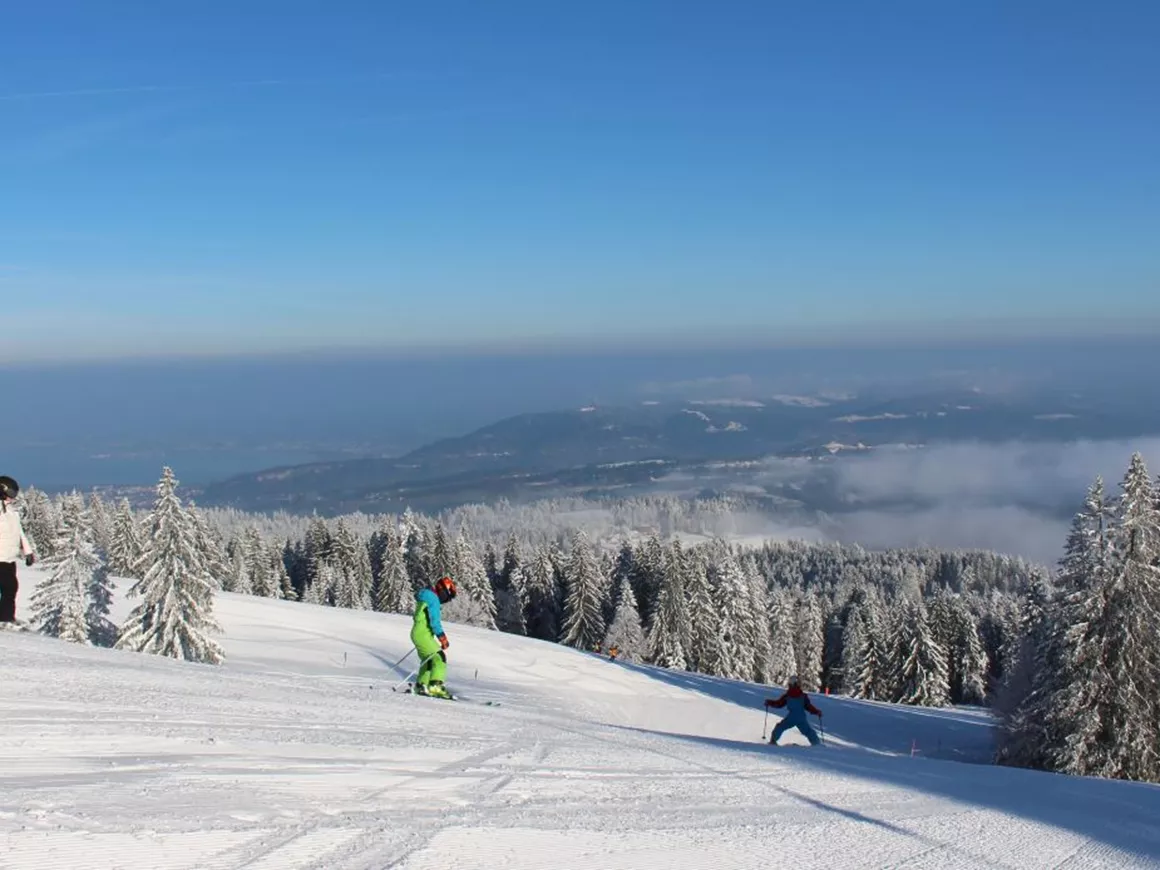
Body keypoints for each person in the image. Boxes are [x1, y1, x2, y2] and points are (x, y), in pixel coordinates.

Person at [410, 575, 457, 698]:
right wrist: (442, 638)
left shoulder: (426, 597)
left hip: (419, 633)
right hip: (423, 634)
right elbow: (434, 621)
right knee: (440, 657)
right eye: (448, 596)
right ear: (443, 590)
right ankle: (435, 686)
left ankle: (421, 685)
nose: (447, 600)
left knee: (429, 660)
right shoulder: (433, 599)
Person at [0, 476, 36, 626]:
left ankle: (6, 618)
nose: (14, 498)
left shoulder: (11, 512)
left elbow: (19, 533)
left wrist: (28, 552)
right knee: (8, 588)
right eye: (12, 494)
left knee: (10, 589)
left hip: (9, 559)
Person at [764, 675, 823, 746]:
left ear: (790, 684)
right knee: (808, 731)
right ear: (797, 684)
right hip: (801, 718)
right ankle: (817, 743)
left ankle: (773, 741)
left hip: (791, 717)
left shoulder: (787, 696)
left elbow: (779, 704)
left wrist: (769, 702)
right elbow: (809, 707)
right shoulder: (803, 696)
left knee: (780, 727)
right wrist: (817, 712)